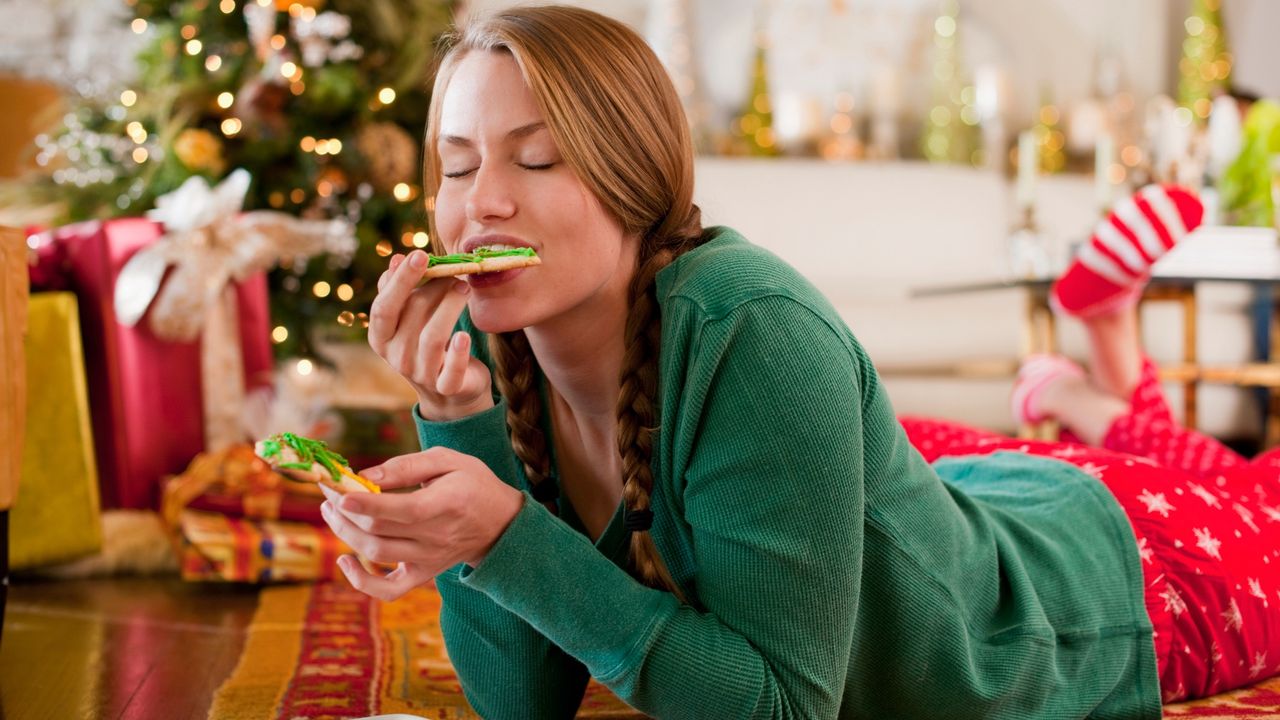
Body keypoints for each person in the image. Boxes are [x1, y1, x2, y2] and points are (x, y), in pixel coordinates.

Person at [318, 6, 1279, 717]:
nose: (478, 204)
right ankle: (1090, 378)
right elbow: (521, 704)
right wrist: (461, 435)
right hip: (980, 498)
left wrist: (503, 536)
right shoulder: (489, 349)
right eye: (453, 166)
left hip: (1133, 583)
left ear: (631, 178)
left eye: (533, 161)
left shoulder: (754, 329)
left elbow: (780, 708)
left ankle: (1097, 360)